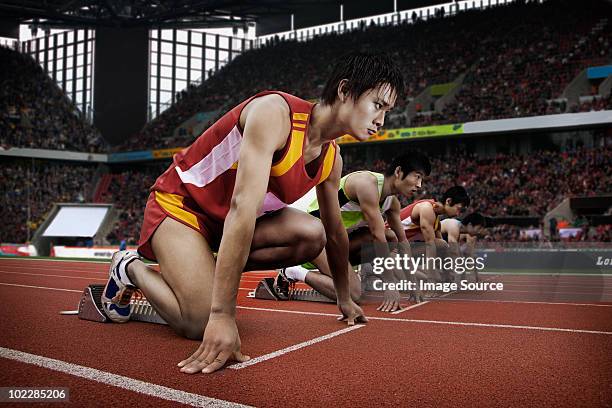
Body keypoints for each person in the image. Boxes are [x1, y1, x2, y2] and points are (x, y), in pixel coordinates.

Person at [101, 52, 404, 374]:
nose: (381, 121)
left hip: (223, 224)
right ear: (345, 90)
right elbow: (241, 208)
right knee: (198, 323)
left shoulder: (332, 159)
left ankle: (201, 273)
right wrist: (221, 314)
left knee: (311, 234)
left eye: (388, 112)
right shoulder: (275, 113)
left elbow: (333, 233)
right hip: (182, 206)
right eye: (378, 105)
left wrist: (344, 296)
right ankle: (130, 267)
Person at [274, 152, 431, 313]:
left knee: (391, 236)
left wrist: (412, 284)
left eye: (422, 180)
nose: (419, 185)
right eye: (417, 177)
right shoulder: (366, 183)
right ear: (398, 172)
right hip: (313, 240)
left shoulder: (392, 203)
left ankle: (350, 272)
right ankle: (293, 271)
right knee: (353, 294)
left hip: (336, 243)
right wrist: (390, 285)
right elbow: (377, 235)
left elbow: (403, 242)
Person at [400, 186, 470, 282]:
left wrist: (447, 273)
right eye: (459, 209)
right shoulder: (427, 208)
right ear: (448, 201)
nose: (458, 214)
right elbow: (430, 244)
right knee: (414, 282)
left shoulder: (436, 222)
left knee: (443, 245)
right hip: (387, 245)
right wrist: (431, 278)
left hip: (402, 249)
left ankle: (444, 275)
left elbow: (442, 250)